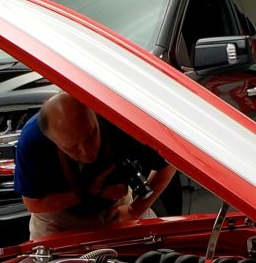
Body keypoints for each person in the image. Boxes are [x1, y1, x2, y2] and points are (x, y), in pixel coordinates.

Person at [14, 92, 177, 239]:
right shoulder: (32, 140)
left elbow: (169, 164)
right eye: (72, 147)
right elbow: (34, 204)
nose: (86, 151)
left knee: (154, 254)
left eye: (90, 135)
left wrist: (134, 210)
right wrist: (91, 191)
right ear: (51, 140)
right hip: (58, 219)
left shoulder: (122, 122)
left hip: (116, 208)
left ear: (95, 113)